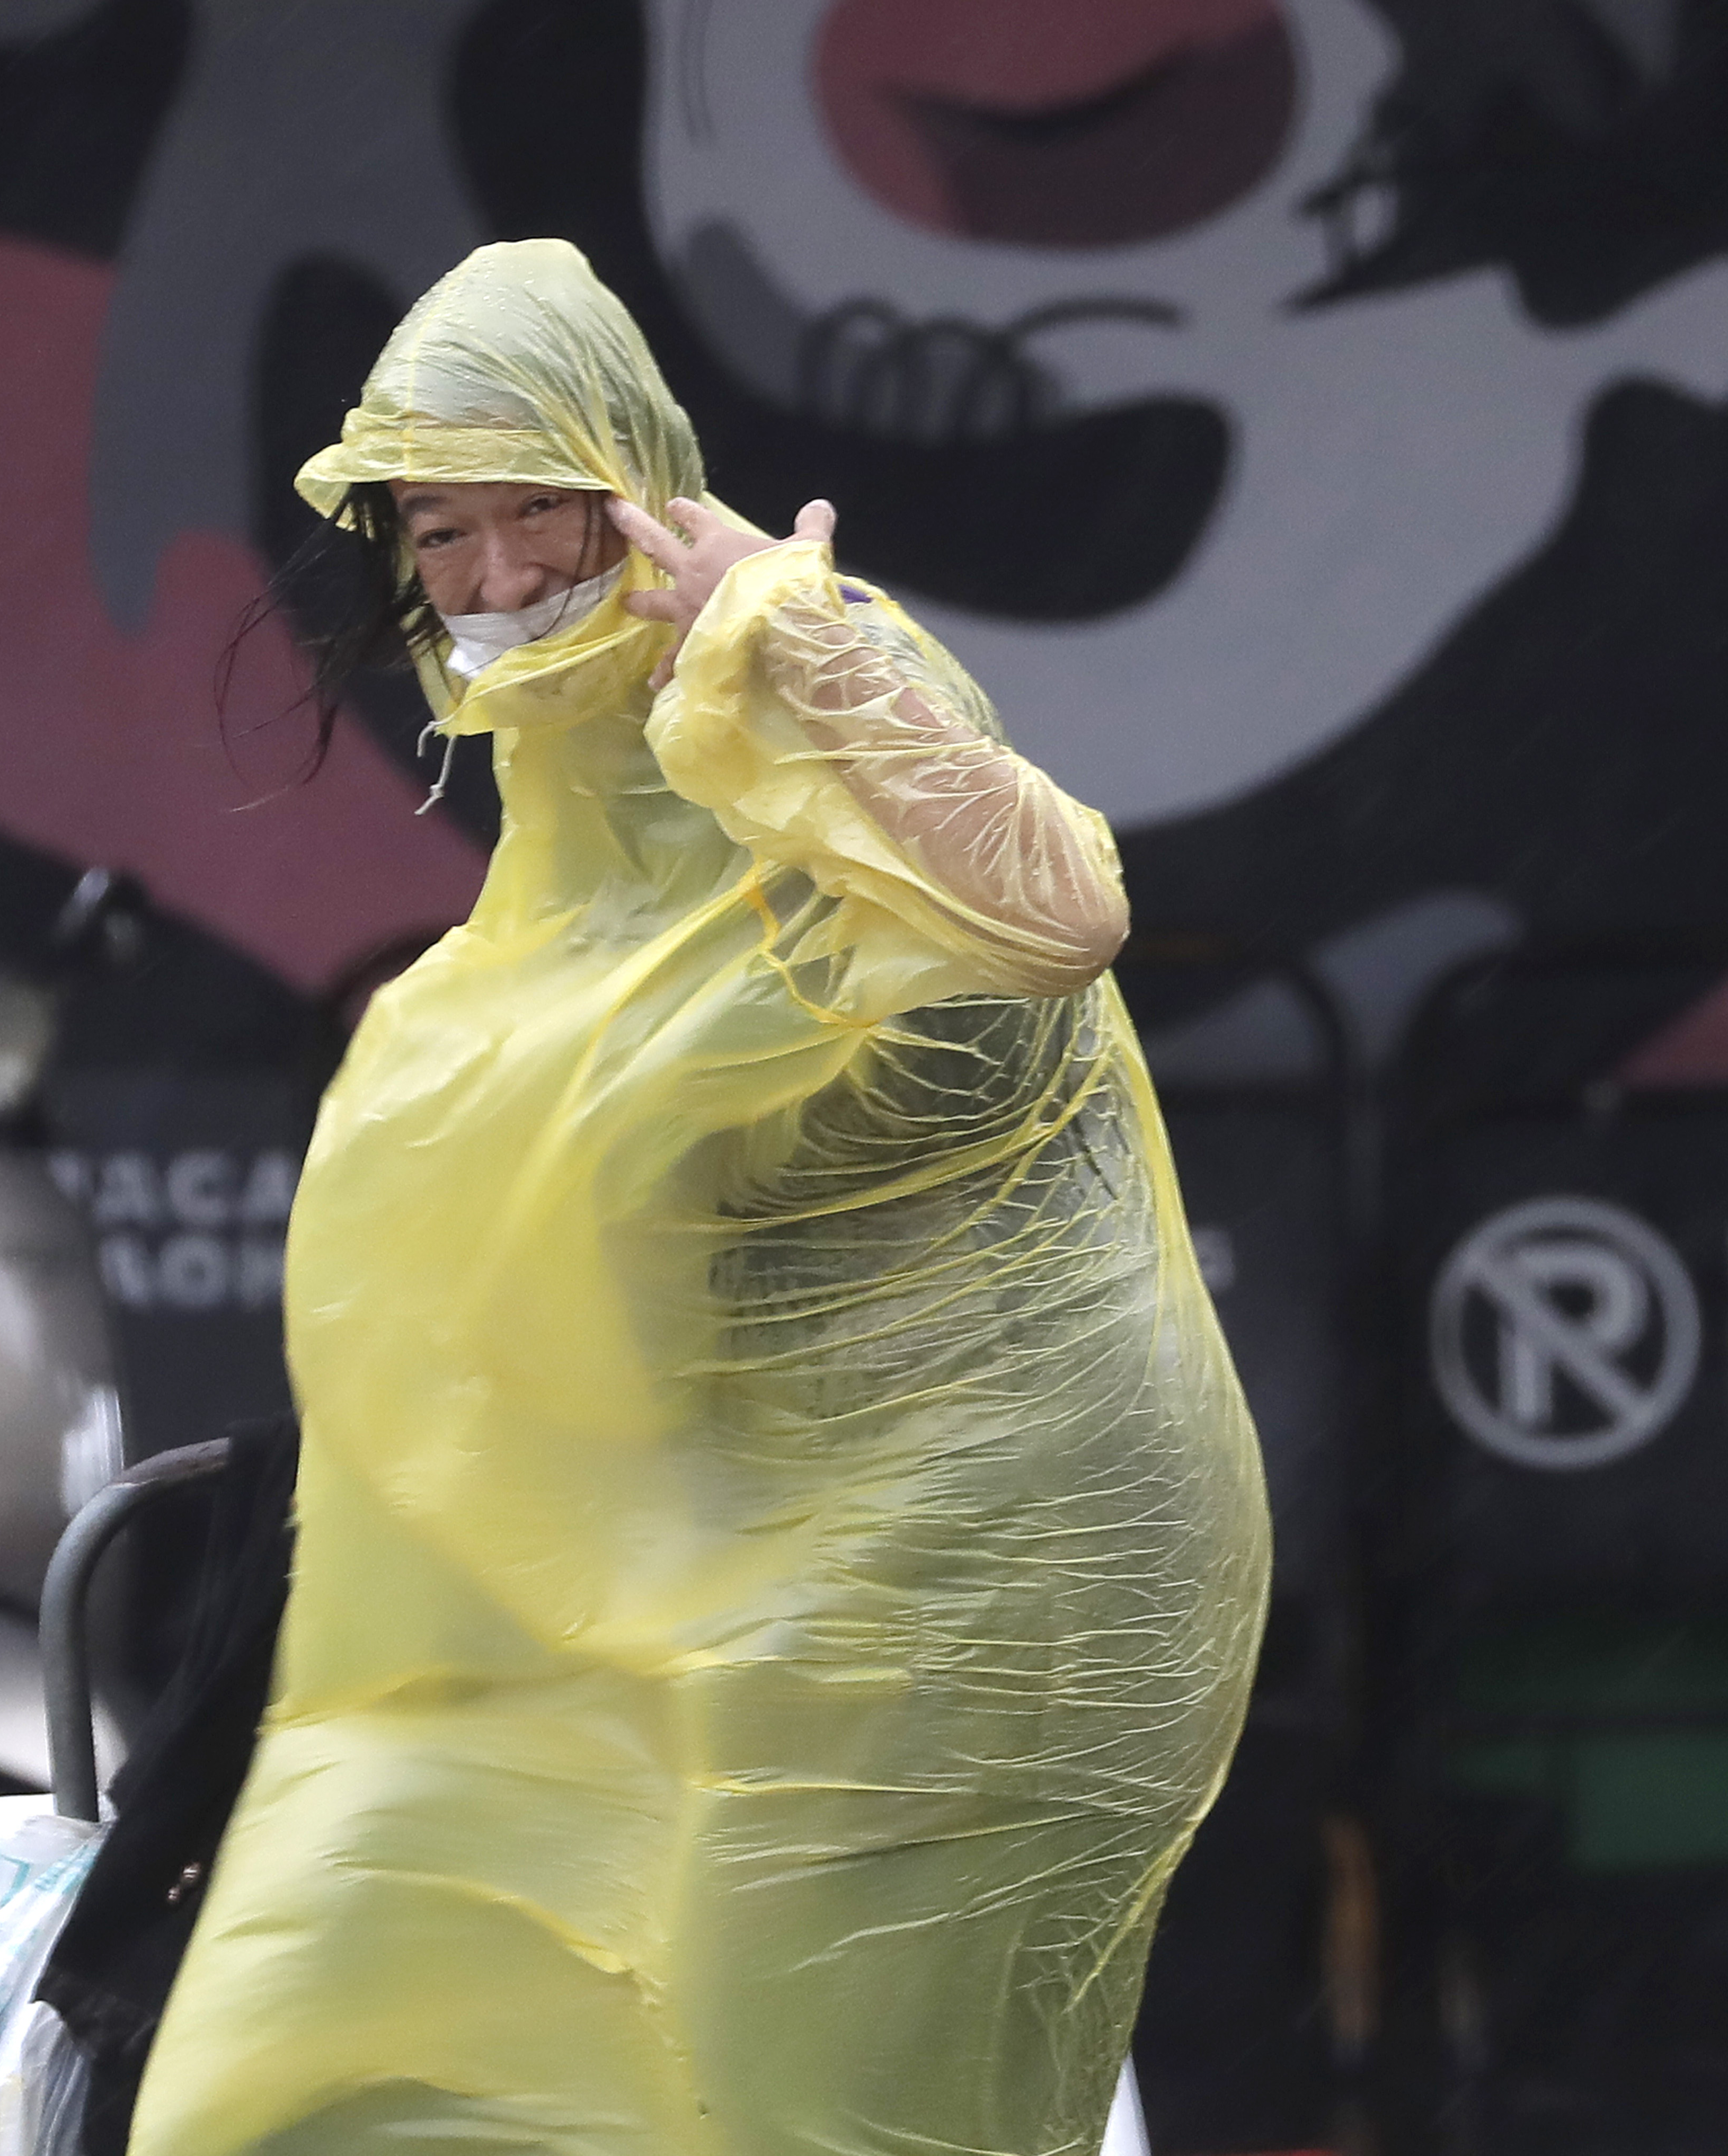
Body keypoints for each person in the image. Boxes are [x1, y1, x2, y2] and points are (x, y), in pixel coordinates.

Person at [128, 239, 1269, 2156]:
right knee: (360, 2027)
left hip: (973, 1589)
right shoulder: (568, 841)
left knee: (802, 2102)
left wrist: (783, 630)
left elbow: (1062, 913)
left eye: (539, 521)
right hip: (740, 1584)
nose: (490, 584)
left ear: (634, 491)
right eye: (441, 533)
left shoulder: (796, 655)